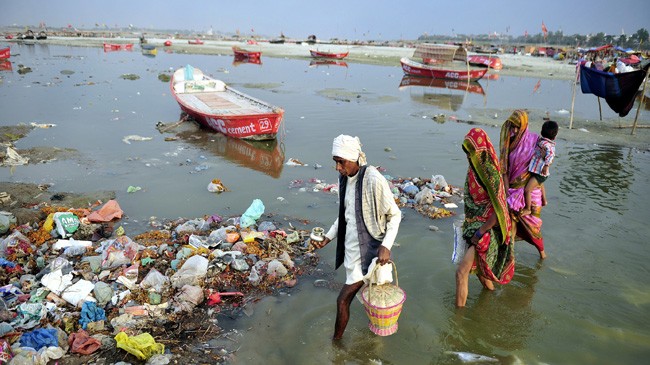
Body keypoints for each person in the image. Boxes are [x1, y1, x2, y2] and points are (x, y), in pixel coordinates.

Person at [311, 134, 401, 340]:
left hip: (368, 253)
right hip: (352, 250)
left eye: (341, 162)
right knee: (370, 301)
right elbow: (345, 215)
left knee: (342, 300)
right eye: (335, 162)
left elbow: (395, 215)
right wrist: (328, 237)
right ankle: (375, 343)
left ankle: (336, 346)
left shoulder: (373, 179)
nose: (337, 168)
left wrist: (386, 246)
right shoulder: (345, 178)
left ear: (354, 158)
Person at [456, 128, 514, 308]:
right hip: (474, 226)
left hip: (489, 229)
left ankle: (457, 321)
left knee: (461, 273)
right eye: (466, 151)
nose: (468, 156)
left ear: (480, 150)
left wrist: (480, 232)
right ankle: (495, 302)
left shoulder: (490, 173)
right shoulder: (473, 168)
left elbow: (499, 210)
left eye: (471, 151)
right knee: (481, 274)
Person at [499, 110, 547, 259]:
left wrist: (544, 195)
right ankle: (510, 256)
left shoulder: (535, 141)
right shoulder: (508, 142)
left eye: (517, 127)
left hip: (532, 192)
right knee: (510, 224)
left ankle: (543, 255)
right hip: (512, 191)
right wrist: (507, 191)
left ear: (524, 126)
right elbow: (504, 170)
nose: (514, 130)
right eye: (512, 126)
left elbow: (539, 171)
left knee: (533, 227)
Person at [520, 120, 558, 216]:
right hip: (538, 171)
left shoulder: (545, 145)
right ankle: (544, 200)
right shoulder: (544, 142)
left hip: (539, 173)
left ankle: (528, 208)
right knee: (540, 185)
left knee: (527, 190)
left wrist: (546, 165)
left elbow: (551, 155)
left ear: (542, 131)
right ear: (554, 136)